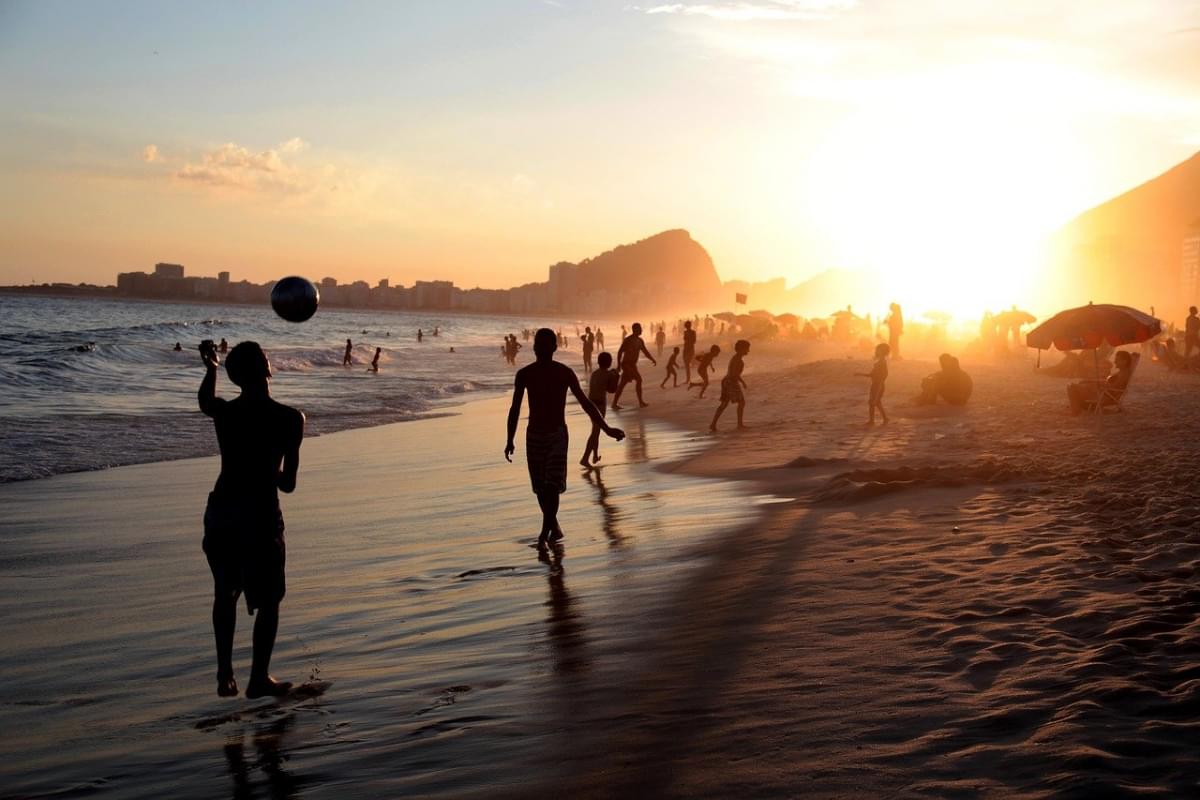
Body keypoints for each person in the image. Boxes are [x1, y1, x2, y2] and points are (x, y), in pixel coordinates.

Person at [198, 340, 305, 699]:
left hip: (223, 510)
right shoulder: (290, 419)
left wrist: (210, 368)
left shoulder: (227, 414)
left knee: (225, 593)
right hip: (259, 514)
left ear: (236, 377)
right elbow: (288, 484)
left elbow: (205, 404)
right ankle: (258, 677)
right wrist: (266, 467)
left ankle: (225, 673)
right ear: (267, 369)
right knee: (270, 599)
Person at [506, 329, 624, 545]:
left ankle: (544, 532)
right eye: (538, 344)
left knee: (552, 484)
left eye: (545, 344)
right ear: (534, 348)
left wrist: (606, 429)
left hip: (557, 434)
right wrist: (509, 439)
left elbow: (586, 404)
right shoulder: (525, 374)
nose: (541, 347)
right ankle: (554, 526)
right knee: (540, 487)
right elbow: (514, 409)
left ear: (553, 347)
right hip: (534, 435)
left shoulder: (564, 373)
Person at [581, 351, 619, 467]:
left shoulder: (595, 373)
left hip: (590, 403)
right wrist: (617, 377)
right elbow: (612, 390)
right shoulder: (609, 375)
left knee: (596, 430)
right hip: (600, 405)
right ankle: (585, 458)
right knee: (595, 431)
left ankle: (595, 455)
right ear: (609, 363)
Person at [1068, 350, 1135, 415]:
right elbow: (1111, 384)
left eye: (1117, 360)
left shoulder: (1124, 374)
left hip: (1104, 396)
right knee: (1081, 384)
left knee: (1072, 387)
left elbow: (1113, 388)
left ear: (1124, 361)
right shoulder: (1122, 372)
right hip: (1103, 393)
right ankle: (1079, 407)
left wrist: (1100, 383)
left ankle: (1075, 411)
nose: (1115, 362)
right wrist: (1097, 381)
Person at [612, 322, 657, 410]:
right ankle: (640, 402)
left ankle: (614, 403)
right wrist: (618, 365)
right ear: (635, 330)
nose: (641, 330)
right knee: (639, 380)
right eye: (639, 329)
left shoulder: (640, 341)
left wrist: (652, 359)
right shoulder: (628, 340)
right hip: (626, 364)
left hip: (633, 365)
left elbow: (645, 351)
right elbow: (620, 351)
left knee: (622, 384)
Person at [710, 340, 750, 432]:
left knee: (724, 404)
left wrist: (741, 382)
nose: (748, 351)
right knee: (741, 402)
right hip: (730, 382)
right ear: (741, 349)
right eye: (747, 348)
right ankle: (740, 424)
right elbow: (734, 374)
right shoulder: (738, 360)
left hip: (726, 381)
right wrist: (740, 382)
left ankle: (713, 424)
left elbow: (733, 373)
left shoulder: (736, 358)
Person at [857, 342, 890, 425]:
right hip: (875, 385)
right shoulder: (880, 362)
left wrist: (879, 387)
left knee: (873, 402)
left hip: (878, 385)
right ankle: (884, 418)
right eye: (877, 349)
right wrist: (860, 374)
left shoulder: (882, 363)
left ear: (883, 352)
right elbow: (872, 375)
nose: (877, 351)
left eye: (879, 350)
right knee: (876, 402)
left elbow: (883, 376)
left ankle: (872, 421)